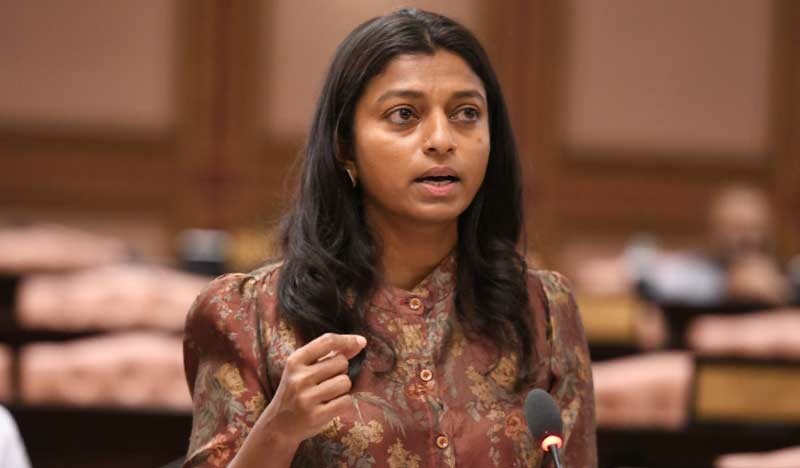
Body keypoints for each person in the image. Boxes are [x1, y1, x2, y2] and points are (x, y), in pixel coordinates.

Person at [182, 8, 596, 467]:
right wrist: (278, 430)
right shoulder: (251, 317)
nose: (442, 139)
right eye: (404, 115)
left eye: (466, 113)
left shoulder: (543, 311)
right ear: (344, 146)